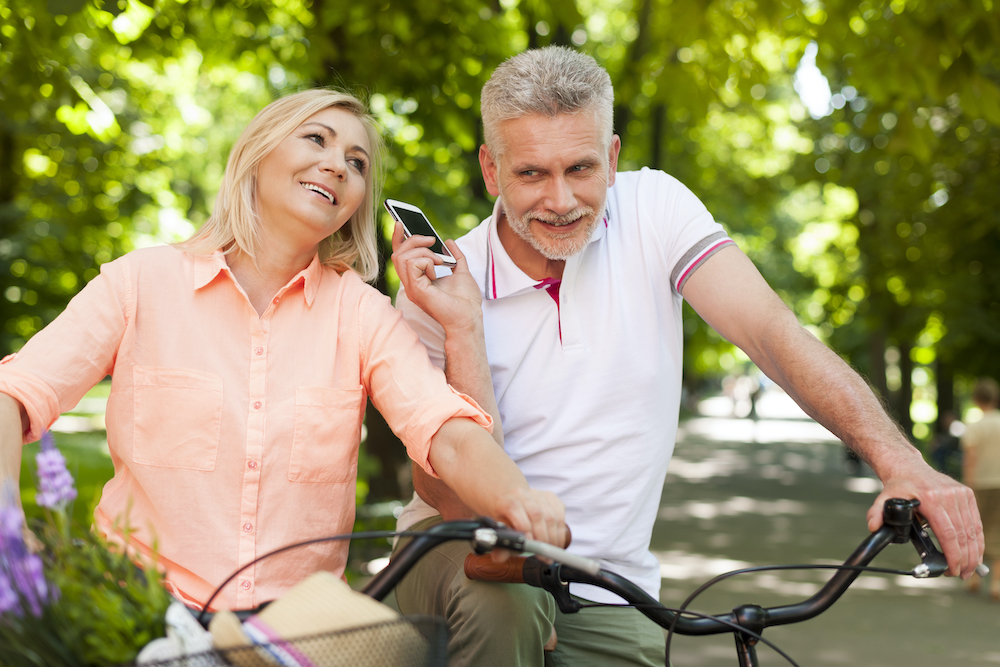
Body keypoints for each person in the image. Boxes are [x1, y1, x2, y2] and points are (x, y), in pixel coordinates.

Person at [388, 47, 985, 666]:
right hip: (463, 554)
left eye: (582, 168)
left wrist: (900, 462)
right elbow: (451, 497)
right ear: (491, 170)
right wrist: (465, 329)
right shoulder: (438, 287)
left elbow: (772, 333)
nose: (562, 200)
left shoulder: (654, 209)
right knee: (502, 605)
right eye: (532, 174)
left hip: (610, 587)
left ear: (614, 158)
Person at [0, 88, 566, 611]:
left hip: (292, 632)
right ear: (257, 154)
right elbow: (14, 396)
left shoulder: (361, 313)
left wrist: (519, 498)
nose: (337, 164)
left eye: (357, 162)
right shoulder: (140, 283)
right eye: (316, 138)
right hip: (135, 616)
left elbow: (446, 430)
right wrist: (11, 532)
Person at [961, 378, 1000, 601]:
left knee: (977, 529)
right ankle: (996, 583)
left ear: (976, 399)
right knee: (998, 530)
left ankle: (976, 577)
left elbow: (970, 458)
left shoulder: (974, 426)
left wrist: (968, 484)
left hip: (981, 483)